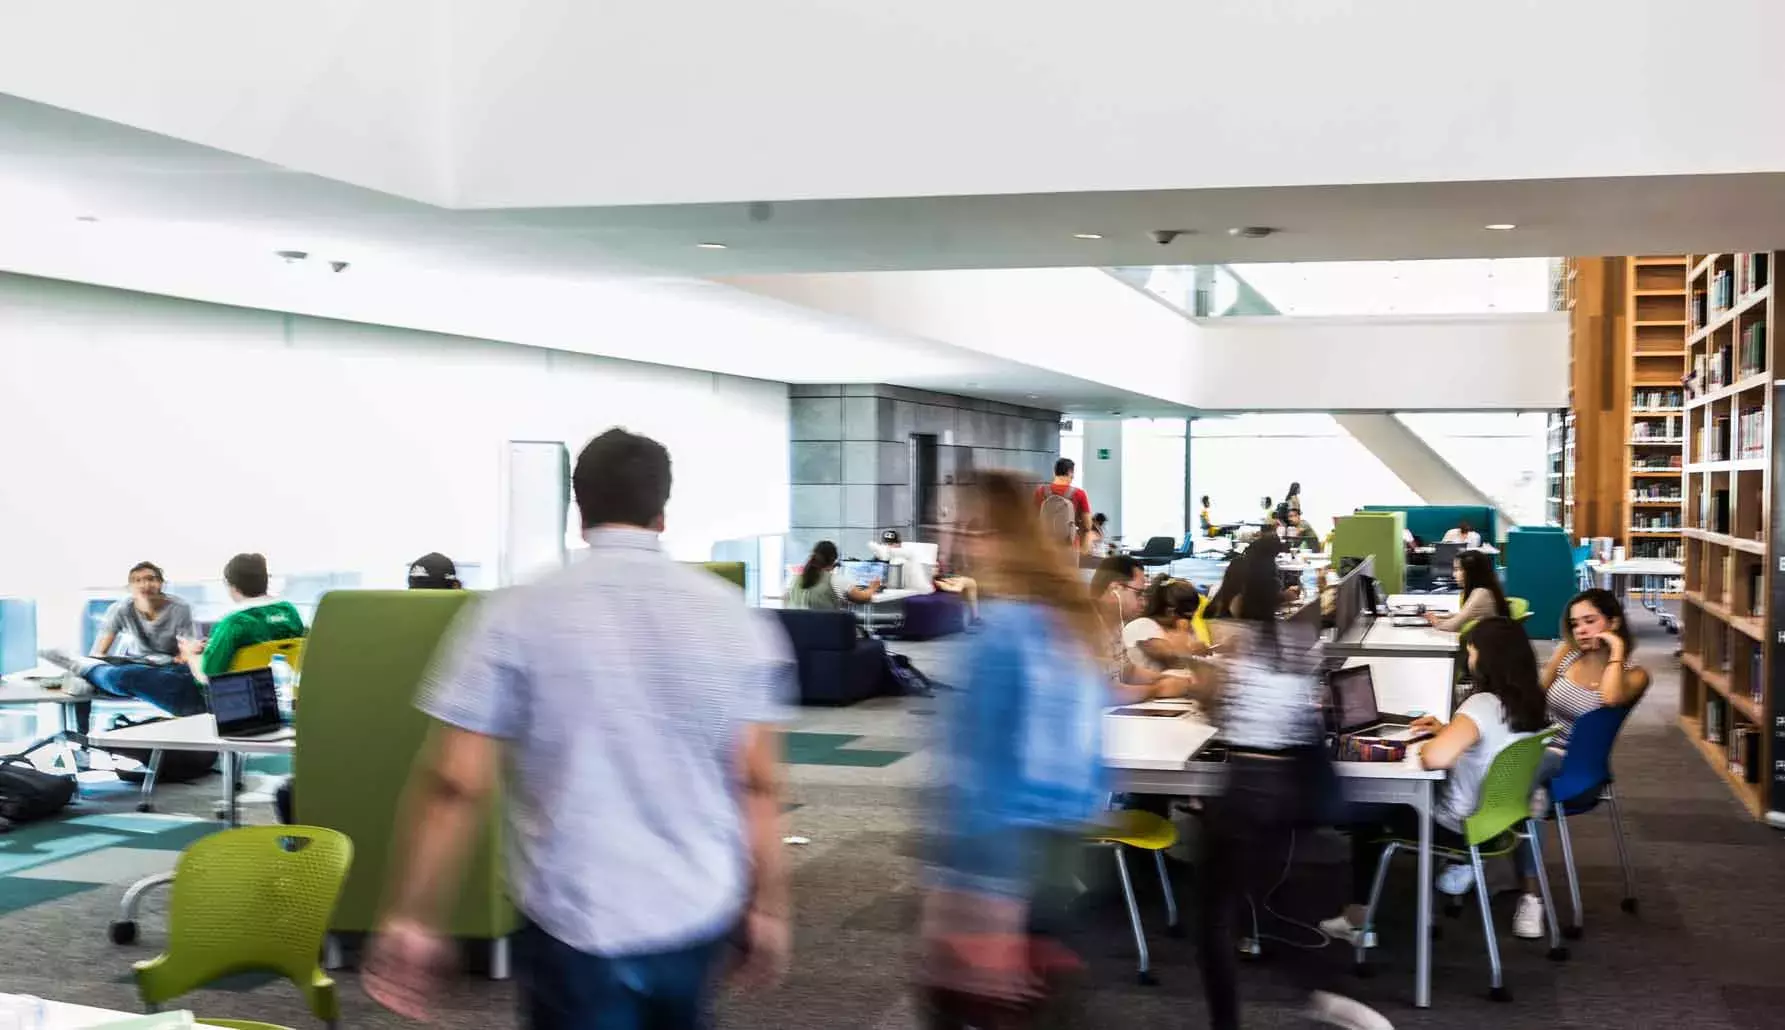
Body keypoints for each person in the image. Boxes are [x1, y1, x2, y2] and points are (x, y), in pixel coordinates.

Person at [364, 427, 794, 1027]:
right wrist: (768, 903)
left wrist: (415, 914)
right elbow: (756, 782)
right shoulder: (734, 619)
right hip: (696, 906)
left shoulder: (513, 614)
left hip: (575, 914)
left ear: (578, 509)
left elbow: (456, 784)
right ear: (662, 513)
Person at [918, 470, 1109, 1021]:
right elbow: (1088, 771)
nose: (950, 538)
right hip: (1060, 862)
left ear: (985, 532)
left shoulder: (1002, 634)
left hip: (1000, 876)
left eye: (956, 525)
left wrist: (977, 914)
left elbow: (983, 784)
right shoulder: (1071, 620)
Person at [1199, 530, 1387, 1030]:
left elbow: (1218, 711)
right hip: (1288, 789)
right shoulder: (1297, 643)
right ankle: (1326, 996)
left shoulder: (1239, 647)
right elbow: (1306, 712)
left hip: (1245, 787)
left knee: (1215, 919)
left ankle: (1226, 1023)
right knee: (1278, 905)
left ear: (1238, 592)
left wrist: (1200, 682)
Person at [1321, 617, 1549, 950]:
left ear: (1487, 658)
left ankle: (1358, 921)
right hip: (1497, 820)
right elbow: (1491, 743)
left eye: (1472, 653)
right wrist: (1451, 731)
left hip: (1455, 824)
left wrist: (1428, 743)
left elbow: (1434, 760)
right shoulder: (1529, 701)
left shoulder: (1481, 704)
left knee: (1368, 816)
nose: (1469, 661)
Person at [1480, 588, 1650, 938]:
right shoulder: (1568, 656)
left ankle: (1522, 889)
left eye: (1591, 621)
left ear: (1612, 621)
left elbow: (1610, 697)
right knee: (1514, 778)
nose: (1582, 630)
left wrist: (1615, 649)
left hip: (1574, 763)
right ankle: (1496, 858)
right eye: (1576, 624)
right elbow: (1535, 698)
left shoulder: (1635, 675)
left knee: (1513, 770)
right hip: (1538, 745)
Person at [276, 553, 463, 824]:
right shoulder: (475, 641)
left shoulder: (379, 643)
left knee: (288, 793)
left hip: (375, 774)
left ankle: (311, 862)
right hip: (434, 776)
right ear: (456, 587)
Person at [39, 562, 199, 732]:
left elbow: (187, 649)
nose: (145, 585)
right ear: (129, 587)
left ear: (161, 583)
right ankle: (82, 741)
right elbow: (99, 652)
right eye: (137, 580)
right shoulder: (121, 609)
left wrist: (184, 656)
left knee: (122, 676)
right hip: (135, 662)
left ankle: (80, 668)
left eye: (151, 579)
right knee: (115, 670)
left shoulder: (179, 608)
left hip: (169, 665)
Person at [176, 553, 306, 685]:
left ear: (231, 585)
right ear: (266, 580)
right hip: (288, 690)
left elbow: (208, 677)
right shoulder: (289, 611)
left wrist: (190, 654)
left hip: (246, 697)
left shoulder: (234, 623)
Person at [1089, 555, 1195, 704]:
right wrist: (1158, 689)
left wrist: (1165, 679)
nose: (1144, 602)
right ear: (1115, 589)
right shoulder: (1085, 623)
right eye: (1138, 594)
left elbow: (1128, 672)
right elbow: (1106, 692)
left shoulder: (1115, 623)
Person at [1122, 577, 1209, 674]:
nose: (1189, 621)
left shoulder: (1183, 629)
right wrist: (1183, 634)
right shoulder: (1141, 626)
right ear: (1170, 611)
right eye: (1187, 617)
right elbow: (1174, 661)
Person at [1424, 550, 1511, 632]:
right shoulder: (1483, 590)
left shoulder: (1480, 594)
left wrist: (1435, 621)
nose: (1454, 574)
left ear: (1472, 571)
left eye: (1458, 570)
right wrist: (1441, 616)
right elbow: (1465, 616)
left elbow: (1453, 625)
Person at [786, 540, 881, 609]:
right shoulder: (835, 580)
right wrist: (873, 587)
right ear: (833, 560)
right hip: (825, 632)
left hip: (796, 633)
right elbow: (863, 597)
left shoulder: (794, 579)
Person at [1034, 458, 1091, 547]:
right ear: (1070, 473)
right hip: (1069, 546)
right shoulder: (1079, 494)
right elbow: (1087, 525)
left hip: (1044, 546)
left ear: (1054, 473)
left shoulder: (1040, 492)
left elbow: (1033, 518)